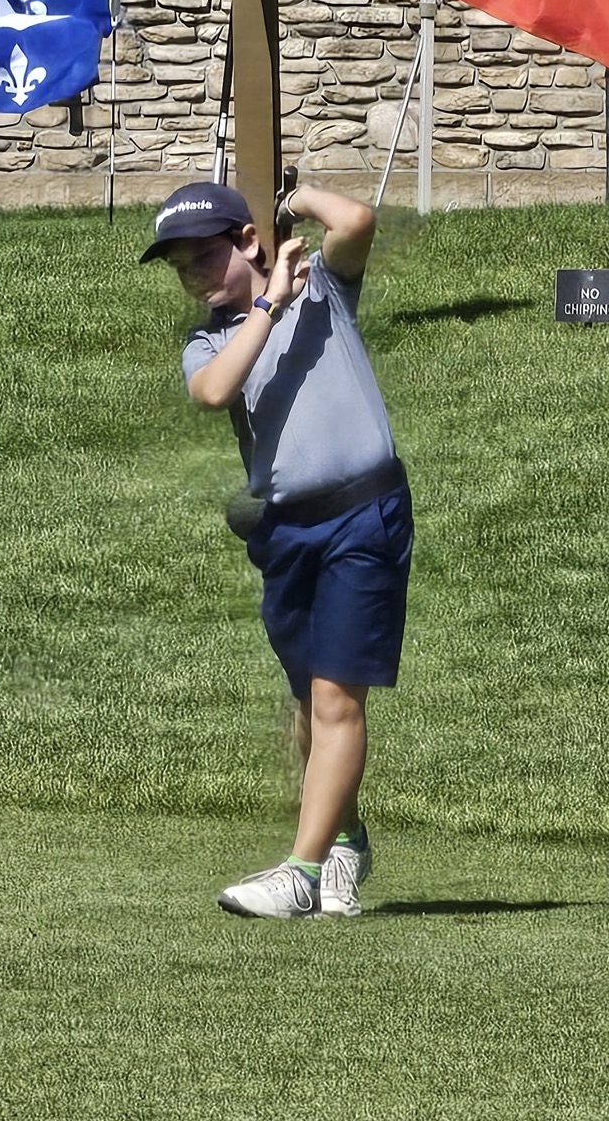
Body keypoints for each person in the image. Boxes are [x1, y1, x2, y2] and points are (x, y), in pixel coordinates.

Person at [140, 179, 412, 919]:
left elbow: (357, 219)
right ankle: (346, 840)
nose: (194, 275)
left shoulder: (324, 288)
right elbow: (213, 392)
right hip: (286, 533)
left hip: (366, 515)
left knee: (335, 700)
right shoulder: (208, 339)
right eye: (181, 267)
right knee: (307, 706)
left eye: (204, 256)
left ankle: (300, 873)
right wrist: (267, 305)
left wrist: (294, 201)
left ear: (247, 241)